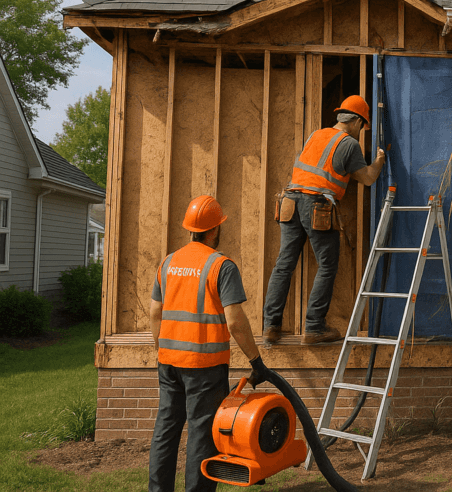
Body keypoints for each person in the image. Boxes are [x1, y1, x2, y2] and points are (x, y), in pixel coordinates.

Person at [149, 195, 270, 492]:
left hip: (168, 364)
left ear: (190, 228)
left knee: (166, 430)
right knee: (202, 435)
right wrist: (256, 361)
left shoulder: (168, 262)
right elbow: (235, 321)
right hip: (204, 367)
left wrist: (162, 349)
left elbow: (154, 312)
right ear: (215, 229)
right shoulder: (221, 266)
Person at [263, 95, 385, 345]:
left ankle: (270, 326)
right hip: (315, 205)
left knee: (284, 265)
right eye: (363, 127)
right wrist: (380, 160)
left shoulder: (315, 135)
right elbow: (368, 178)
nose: (361, 131)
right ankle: (314, 327)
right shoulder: (349, 144)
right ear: (357, 121)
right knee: (327, 266)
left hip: (290, 200)